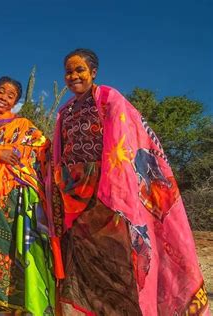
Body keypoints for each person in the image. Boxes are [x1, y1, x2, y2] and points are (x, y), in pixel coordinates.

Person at [52, 48, 209, 315]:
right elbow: (58, 153)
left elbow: (123, 141)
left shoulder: (108, 98)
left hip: (108, 195)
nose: (73, 76)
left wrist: (113, 187)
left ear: (93, 72)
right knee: (86, 262)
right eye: (69, 71)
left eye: (80, 70)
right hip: (74, 200)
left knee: (119, 262)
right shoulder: (64, 112)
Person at [0, 76, 64, 315]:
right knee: (0, 253)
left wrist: (17, 152)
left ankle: (28, 306)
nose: (4, 98)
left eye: (10, 96)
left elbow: (44, 149)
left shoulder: (23, 126)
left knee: (24, 251)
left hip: (23, 200)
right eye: (1, 91)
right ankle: (5, 306)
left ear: (15, 102)